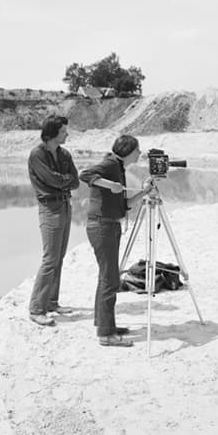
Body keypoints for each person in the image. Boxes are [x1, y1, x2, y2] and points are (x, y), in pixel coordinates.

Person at [79, 134, 153, 347]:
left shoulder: (118, 168)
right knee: (110, 279)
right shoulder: (111, 164)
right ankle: (105, 334)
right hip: (102, 226)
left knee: (107, 276)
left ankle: (105, 324)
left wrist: (144, 192)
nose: (139, 153)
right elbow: (85, 174)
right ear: (129, 151)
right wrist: (109, 185)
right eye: (137, 150)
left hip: (108, 224)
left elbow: (124, 205)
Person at [28, 115, 79, 326]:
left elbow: (74, 181)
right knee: (50, 259)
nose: (67, 134)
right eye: (64, 131)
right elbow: (51, 180)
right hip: (49, 208)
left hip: (65, 205)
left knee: (59, 257)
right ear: (53, 133)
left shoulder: (64, 153)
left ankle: (51, 302)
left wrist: (62, 182)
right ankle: (36, 308)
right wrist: (62, 181)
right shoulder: (37, 155)